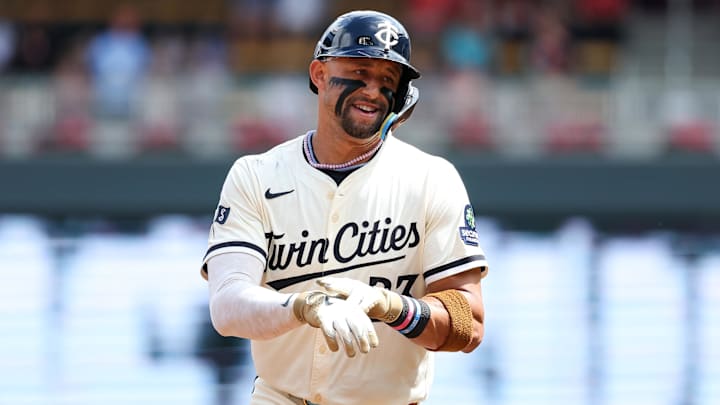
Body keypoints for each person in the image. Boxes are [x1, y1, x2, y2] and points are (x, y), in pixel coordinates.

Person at [201, 10, 488, 405]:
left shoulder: (431, 178)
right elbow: (228, 305)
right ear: (319, 74)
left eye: (388, 80)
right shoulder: (256, 174)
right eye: (359, 71)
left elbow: (467, 322)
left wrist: (392, 307)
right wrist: (302, 306)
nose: (372, 90)